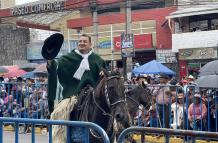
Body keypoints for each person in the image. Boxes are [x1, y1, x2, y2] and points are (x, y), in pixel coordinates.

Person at [46, 34, 106, 143]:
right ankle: (59, 139)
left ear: (90, 44)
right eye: (80, 41)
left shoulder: (97, 60)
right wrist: (51, 62)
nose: (82, 43)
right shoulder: (69, 57)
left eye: (84, 41)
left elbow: (105, 73)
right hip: (73, 95)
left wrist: (104, 73)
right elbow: (56, 65)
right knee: (60, 113)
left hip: (94, 96)